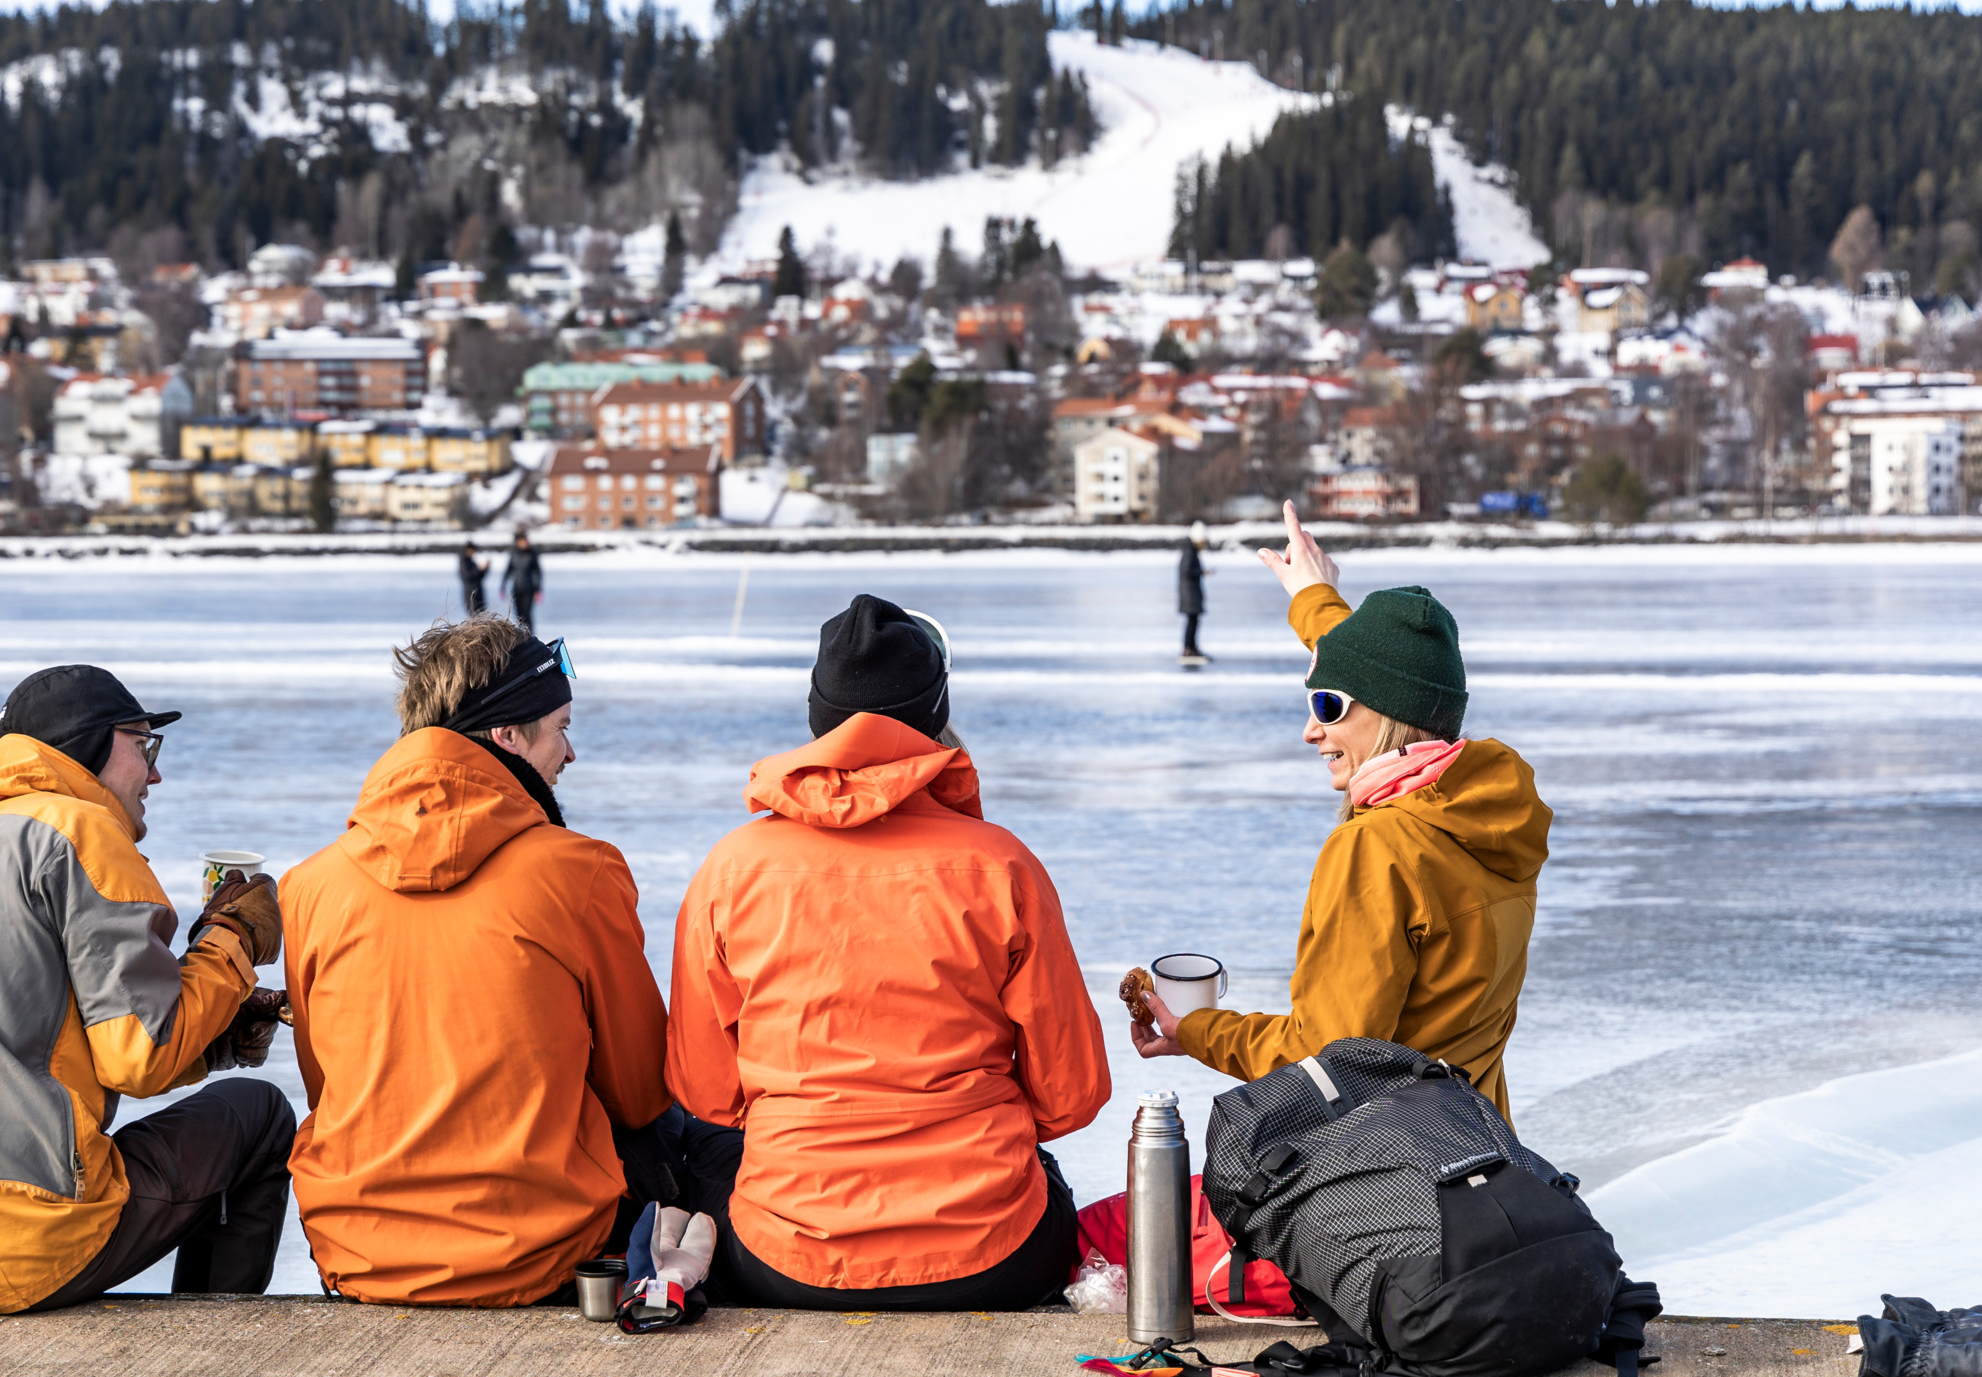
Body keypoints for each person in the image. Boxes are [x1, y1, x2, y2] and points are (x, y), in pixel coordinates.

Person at [669, 595, 1111, 1311]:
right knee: (1044, 1169)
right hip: (990, 1252)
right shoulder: (1002, 866)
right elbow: (1072, 1094)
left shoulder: (731, 868)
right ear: (935, 719)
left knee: (707, 1164)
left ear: (819, 719)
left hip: (790, 1253)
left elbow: (705, 1091)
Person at [0, 665, 290, 1314]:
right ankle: (218, 1344)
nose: (155, 774)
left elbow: (43, 1031)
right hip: (16, 1240)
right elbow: (140, 1056)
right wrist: (233, 938)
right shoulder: (81, 831)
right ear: (91, 742)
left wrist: (218, 1037)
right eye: (143, 745)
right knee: (259, 1113)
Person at [281, 617, 673, 1304]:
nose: (570, 751)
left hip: (360, 1253)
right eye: (561, 725)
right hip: (538, 1253)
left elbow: (326, 1087)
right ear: (509, 737)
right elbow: (639, 1090)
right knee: (690, 1137)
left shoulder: (311, 886)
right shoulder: (578, 873)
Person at [1131, 502, 1550, 1120]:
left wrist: (1196, 1028)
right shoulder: (1489, 807)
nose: (1309, 731)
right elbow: (1395, 677)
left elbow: (1328, 1058)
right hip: (1479, 1149)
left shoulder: (1377, 849)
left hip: (1387, 1181)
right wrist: (1314, 600)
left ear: (1387, 714)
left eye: (1326, 706)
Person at [1177, 521, 1215, 664]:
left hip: (1190, 594)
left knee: (1194, 621)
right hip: (1189, 595)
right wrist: (1201, 571)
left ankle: (1192, 647)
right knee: (1191, 622)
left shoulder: (1189, 550)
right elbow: (1186, 570)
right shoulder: (1189, 552)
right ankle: (1188, 649)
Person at [500, 532, 544, 635]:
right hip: (517, 588)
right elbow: (508, 571)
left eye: (526, 540)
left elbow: (537, 572)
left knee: (527, 614)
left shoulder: (532, 554)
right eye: (523, 541)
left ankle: (530, 636)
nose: (525, 542)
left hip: (529, 589)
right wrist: (503, 586)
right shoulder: (514, 554)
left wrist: (538, 589)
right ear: (518, 542)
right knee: (519, 616)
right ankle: (522, 637)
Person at [457, 541, 489, 615]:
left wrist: (485, 569)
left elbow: (479, 577)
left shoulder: (471, 561)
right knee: (474, 615)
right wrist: (478, 569)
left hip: (478, 593)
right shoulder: (463, 562)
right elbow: (467, 576)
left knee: (482, 615)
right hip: (470, 594)